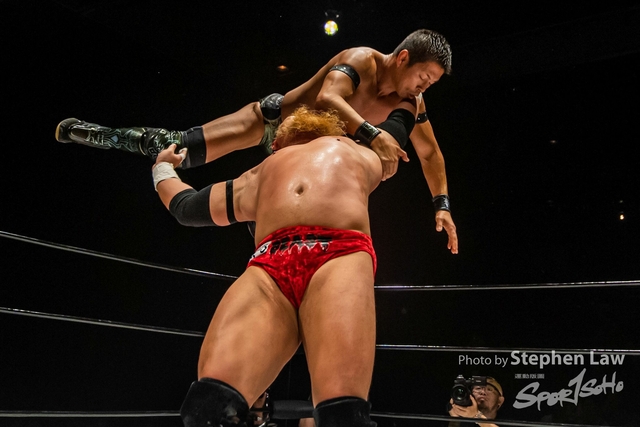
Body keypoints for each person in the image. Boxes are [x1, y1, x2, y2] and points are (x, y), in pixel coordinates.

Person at [56, 29, 458, 253]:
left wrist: (442, 205)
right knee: (175, 146)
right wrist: (372, 135)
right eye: (424, 77)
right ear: (403, 58)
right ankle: (95, 133)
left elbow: (430, 154)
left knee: (274, 222)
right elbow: (327, 98)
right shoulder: (360, 60)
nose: (424, 87)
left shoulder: (409, 103)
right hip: (273, 122)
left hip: (302, 156)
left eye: (432, 84)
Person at [152, 106, 387, 427]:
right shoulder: (263, 172)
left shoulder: (358, 151)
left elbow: (401, 109)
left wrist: (162, 168)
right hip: (273, 266)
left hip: (336, 256)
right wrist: (162, 167)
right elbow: (188, 207)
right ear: (275, 144)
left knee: (342, 417)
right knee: (207, 409)